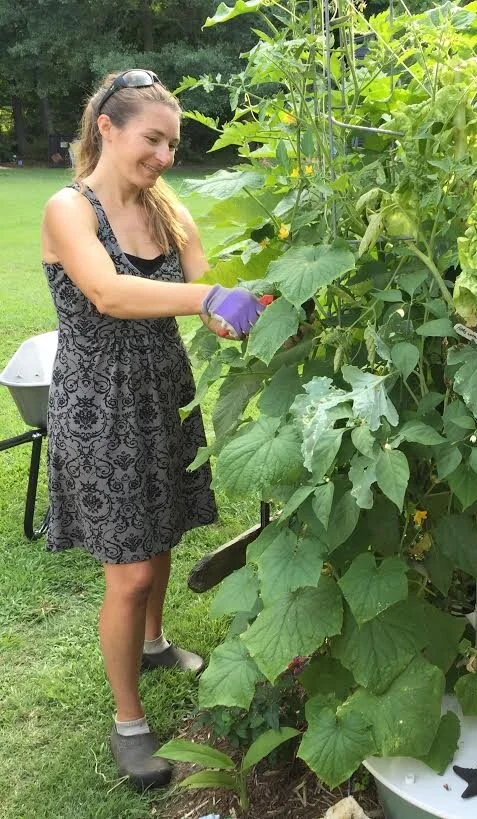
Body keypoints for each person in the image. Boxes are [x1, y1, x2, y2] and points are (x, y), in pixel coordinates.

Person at [40, 69, 264, 790]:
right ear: (106, 128)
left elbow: (214, 307)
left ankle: (155, 643)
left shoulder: (169, 212)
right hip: (99, 405)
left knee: (160, 533)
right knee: (130, 568)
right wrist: (207, 297)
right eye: (153, 139)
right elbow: (107, 292)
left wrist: (253, 310)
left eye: (173, 144)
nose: (165, 156)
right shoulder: (69, 209)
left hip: (165, 393)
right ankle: (129, 723)